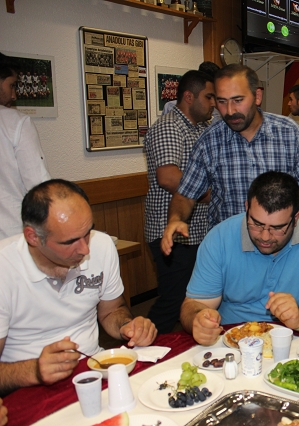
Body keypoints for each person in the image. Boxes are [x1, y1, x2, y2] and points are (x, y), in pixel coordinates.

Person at [0, 180, 157, 393]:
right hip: (25, 387)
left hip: (94, 368)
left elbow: (111, 310)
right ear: (33, 237)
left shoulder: (102, 245)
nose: (85, 249)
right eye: (70, 241)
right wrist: (34, 370)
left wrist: (128, 326)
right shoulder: (4, 267)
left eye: (88, 233)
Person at [161, 64, 299, 256]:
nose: (230, 111)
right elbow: (185, 196)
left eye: (238, 100)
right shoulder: (209, 141)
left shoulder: (288, 132)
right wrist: (175, 219)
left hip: (282, 250)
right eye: (222, 101)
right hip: (230, 250)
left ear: (257, 96)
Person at [180, 172, 299, 345]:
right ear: (247, 207)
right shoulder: (220, 237)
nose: (265, 237)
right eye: (257, 224)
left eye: (277, 228)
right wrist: (199, 320)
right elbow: (194, 304)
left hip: (298, 341)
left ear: (296, 218)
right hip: (232, 342)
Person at [144, 70, 216, 334]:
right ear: (189, 97)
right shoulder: (169, 126)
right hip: (172, 232)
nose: (213, 103)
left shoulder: (201, 128)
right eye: (208, 97)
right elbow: (168, 177)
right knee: (173, 301)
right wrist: (212, 194)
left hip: (197, 232)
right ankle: (144, 346)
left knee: (196, 299)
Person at [0, 53, 51, 240]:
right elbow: (38, 186)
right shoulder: (15, 123)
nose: (13, 96)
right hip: (11, 236)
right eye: (11, 85)